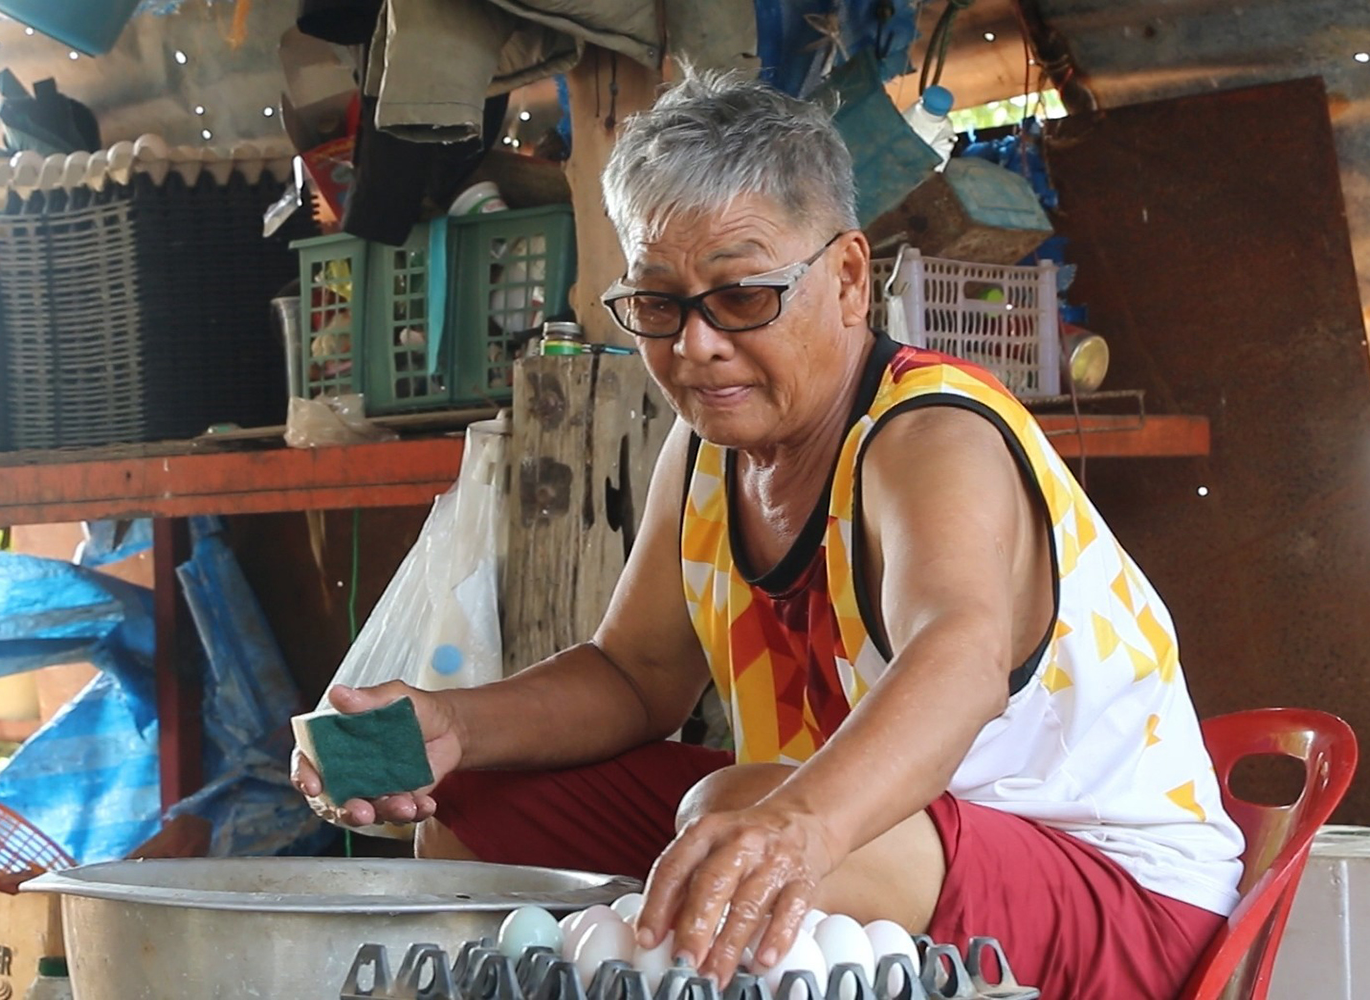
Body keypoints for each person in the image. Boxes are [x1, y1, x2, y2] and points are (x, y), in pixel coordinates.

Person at [294, 70, 1244, 998]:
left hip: (1124, 908)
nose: (697, 345)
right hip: (894, 848)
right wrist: (453, 726)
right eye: (659, 306)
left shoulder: (932, 434)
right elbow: (636, 676)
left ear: (846, 276)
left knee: (735, 813)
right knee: (481, 801)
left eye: (742, 296)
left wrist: (798, 826)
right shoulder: (709, 449)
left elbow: (959, 655)